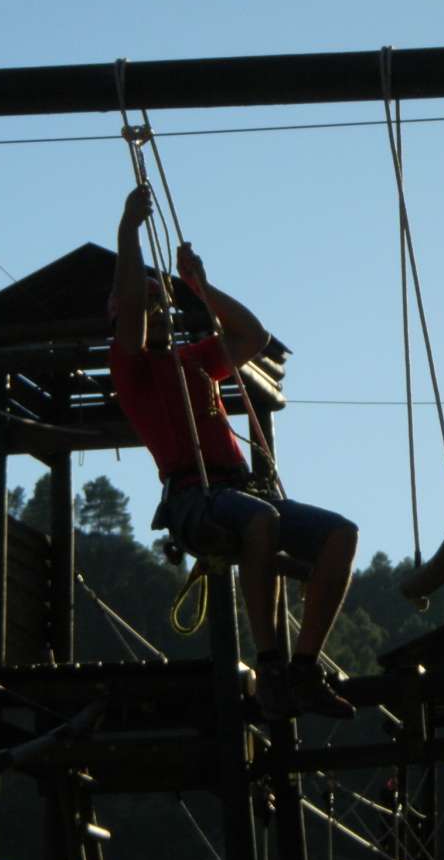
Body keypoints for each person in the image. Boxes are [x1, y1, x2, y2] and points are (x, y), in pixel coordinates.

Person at [107, 184, 359, 720]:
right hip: (193, 498)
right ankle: (270, 667)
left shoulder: (194, 359)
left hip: (237, 494)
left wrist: (199, 286)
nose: (153, 308)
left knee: (341, 535)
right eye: (146, 303)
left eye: (160, 302)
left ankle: (303, 669)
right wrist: (128, 231)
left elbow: (252, 333)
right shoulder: (130, 368)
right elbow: (129, 303)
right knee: (261, 521)